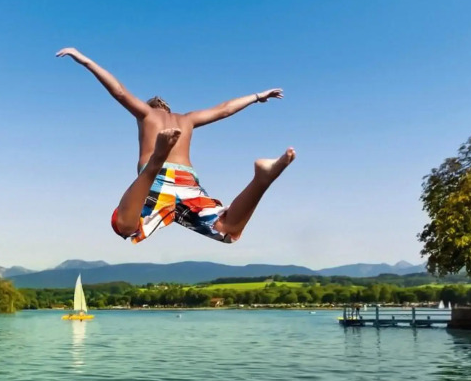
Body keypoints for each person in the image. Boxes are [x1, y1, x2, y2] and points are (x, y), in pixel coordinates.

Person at [57, 47, 295, 245]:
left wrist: (84, 60)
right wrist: (256, 96)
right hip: (187, 181)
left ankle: (156, 161)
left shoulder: (147, 114)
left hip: (158, 178)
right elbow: (225, 109)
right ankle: (262, 179)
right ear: (169, 110)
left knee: (124, 226)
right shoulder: (187, 119)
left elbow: (118, 91)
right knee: (227, 229)